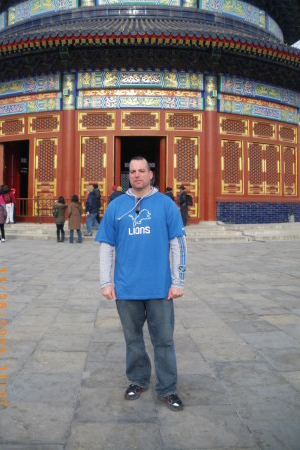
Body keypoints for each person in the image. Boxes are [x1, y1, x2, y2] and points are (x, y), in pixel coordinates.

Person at [95, 156, 187, 412]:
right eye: (132, 171)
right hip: (126, 288)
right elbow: (106, 246)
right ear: (129, 176)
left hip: (160, 288)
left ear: (151, 174)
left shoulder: (166, 204)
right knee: (133, 339)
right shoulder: (116, 206)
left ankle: (168, 389)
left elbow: (178, 243)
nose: (137, 175)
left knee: (164, 340)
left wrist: (178, 281)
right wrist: (106, 281)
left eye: (142, 171)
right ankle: (138, 379)